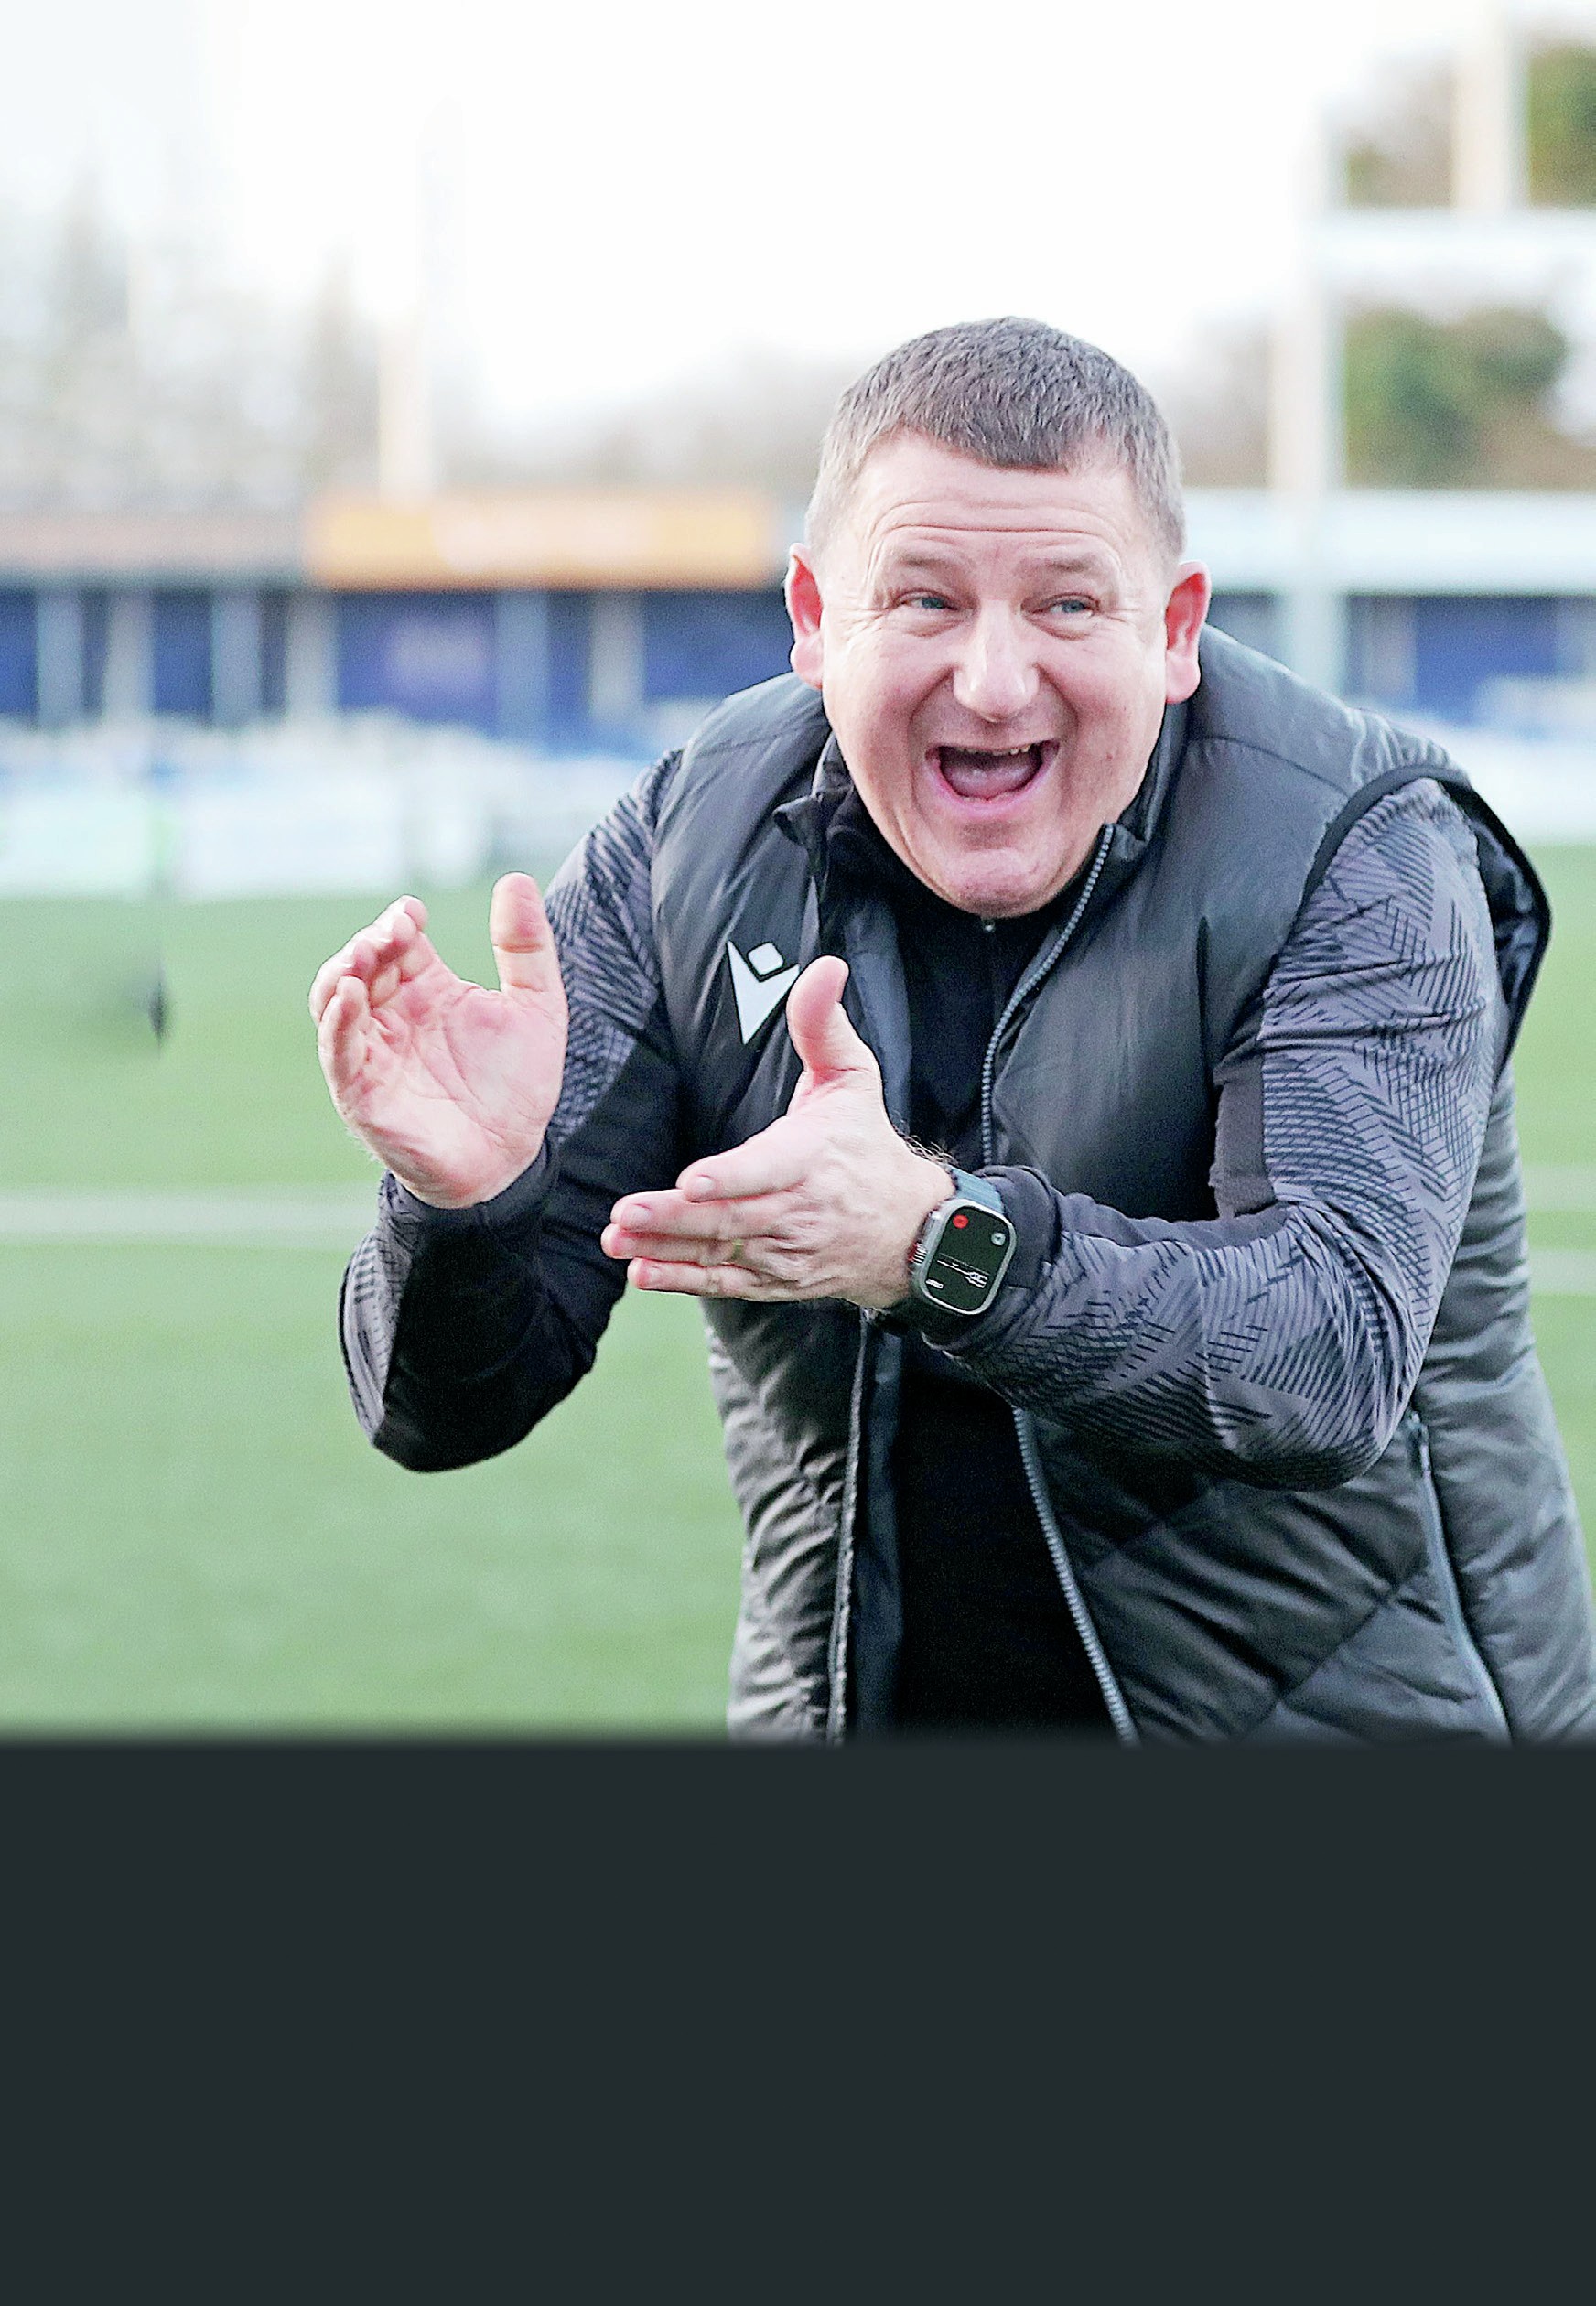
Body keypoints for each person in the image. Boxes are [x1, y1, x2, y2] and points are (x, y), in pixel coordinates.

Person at [312, 317, 1596, 1742]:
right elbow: (446, 1412)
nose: (992, 682)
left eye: (1067, 605)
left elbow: (1325, 1355)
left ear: (1174, 630)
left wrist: (937, 1246)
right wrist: (470, 1207)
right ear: (815, 619)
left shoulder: (1354, 849)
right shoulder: (689, 846)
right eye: (923, 599)